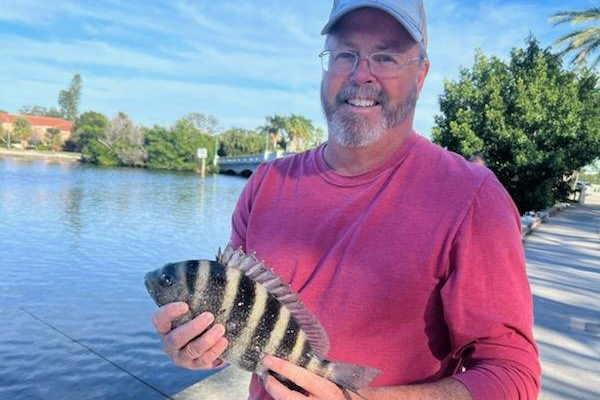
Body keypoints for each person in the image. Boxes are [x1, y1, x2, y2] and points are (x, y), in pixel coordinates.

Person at [151, 1, 541, 399]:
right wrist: (201, 348)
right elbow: (240, 320)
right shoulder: (265, 183)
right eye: (345, 54)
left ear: (420, 75)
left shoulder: (474, 199)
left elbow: (512, 373)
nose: (361, 74)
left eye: (385, 56)